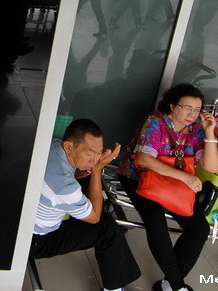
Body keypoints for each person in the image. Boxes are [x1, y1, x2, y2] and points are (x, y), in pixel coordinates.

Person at [117, 84, 218, 291]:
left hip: (174, 184)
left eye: (197, 110)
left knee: (199, 229)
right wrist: (185, 177)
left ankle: (168, 284)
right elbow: (144, 160)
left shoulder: (196, 130)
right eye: (187, 108)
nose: (192, 114)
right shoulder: (155, 122)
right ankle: (176, 285)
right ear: (172, 106)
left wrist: (210, 134)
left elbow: (213, 167)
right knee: (156, 222)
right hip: (139, 178)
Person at [32, 119, 141, 291]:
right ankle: (113, 288)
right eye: (90, 153)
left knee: (88, 179)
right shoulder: (64, 186)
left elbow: (76, 173)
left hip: (25, 214)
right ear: (69, 146)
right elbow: (94, 218)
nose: (95, 159)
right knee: (106, 227)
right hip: (36, 239)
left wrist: (92, 167)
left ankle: (86, 207)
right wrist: (97, 169)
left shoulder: (54, 145)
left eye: (99, 152)